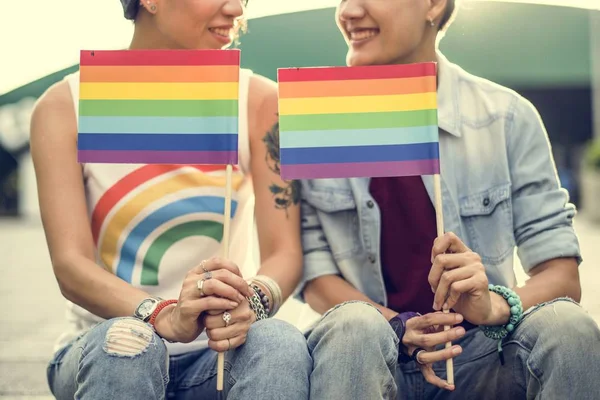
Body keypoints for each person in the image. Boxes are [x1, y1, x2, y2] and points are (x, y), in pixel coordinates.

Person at [298, 0, 600, 398]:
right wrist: (399, 326)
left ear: (433, 5)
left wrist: (492, 306)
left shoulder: (506, 117)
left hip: (482, 354)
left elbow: (562, 276)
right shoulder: (318, 118)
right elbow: (315, 276)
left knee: (568, 325)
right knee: (352, 327)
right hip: (371, 356)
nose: (349, 11)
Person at [30, 1, 310, 399]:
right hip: (105, 347)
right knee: (127, 343)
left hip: (217, 355)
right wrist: (161, 314)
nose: (235, 9)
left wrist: (254, 299)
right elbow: (70, 265)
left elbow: (285, 252)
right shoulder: (65, 106)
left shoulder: (258, 100)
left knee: (279, 342)